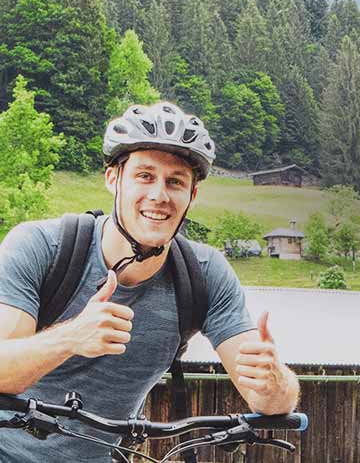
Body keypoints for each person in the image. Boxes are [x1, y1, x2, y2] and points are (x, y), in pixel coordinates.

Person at [0, 102, 300, 462]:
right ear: (113, 178)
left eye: (175, 181)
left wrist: (275, 380)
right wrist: (72, 336)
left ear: (192, 195)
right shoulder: (42, 247)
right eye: (145, 176)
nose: (159, 195)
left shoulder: (203, 273)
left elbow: (268, 401)